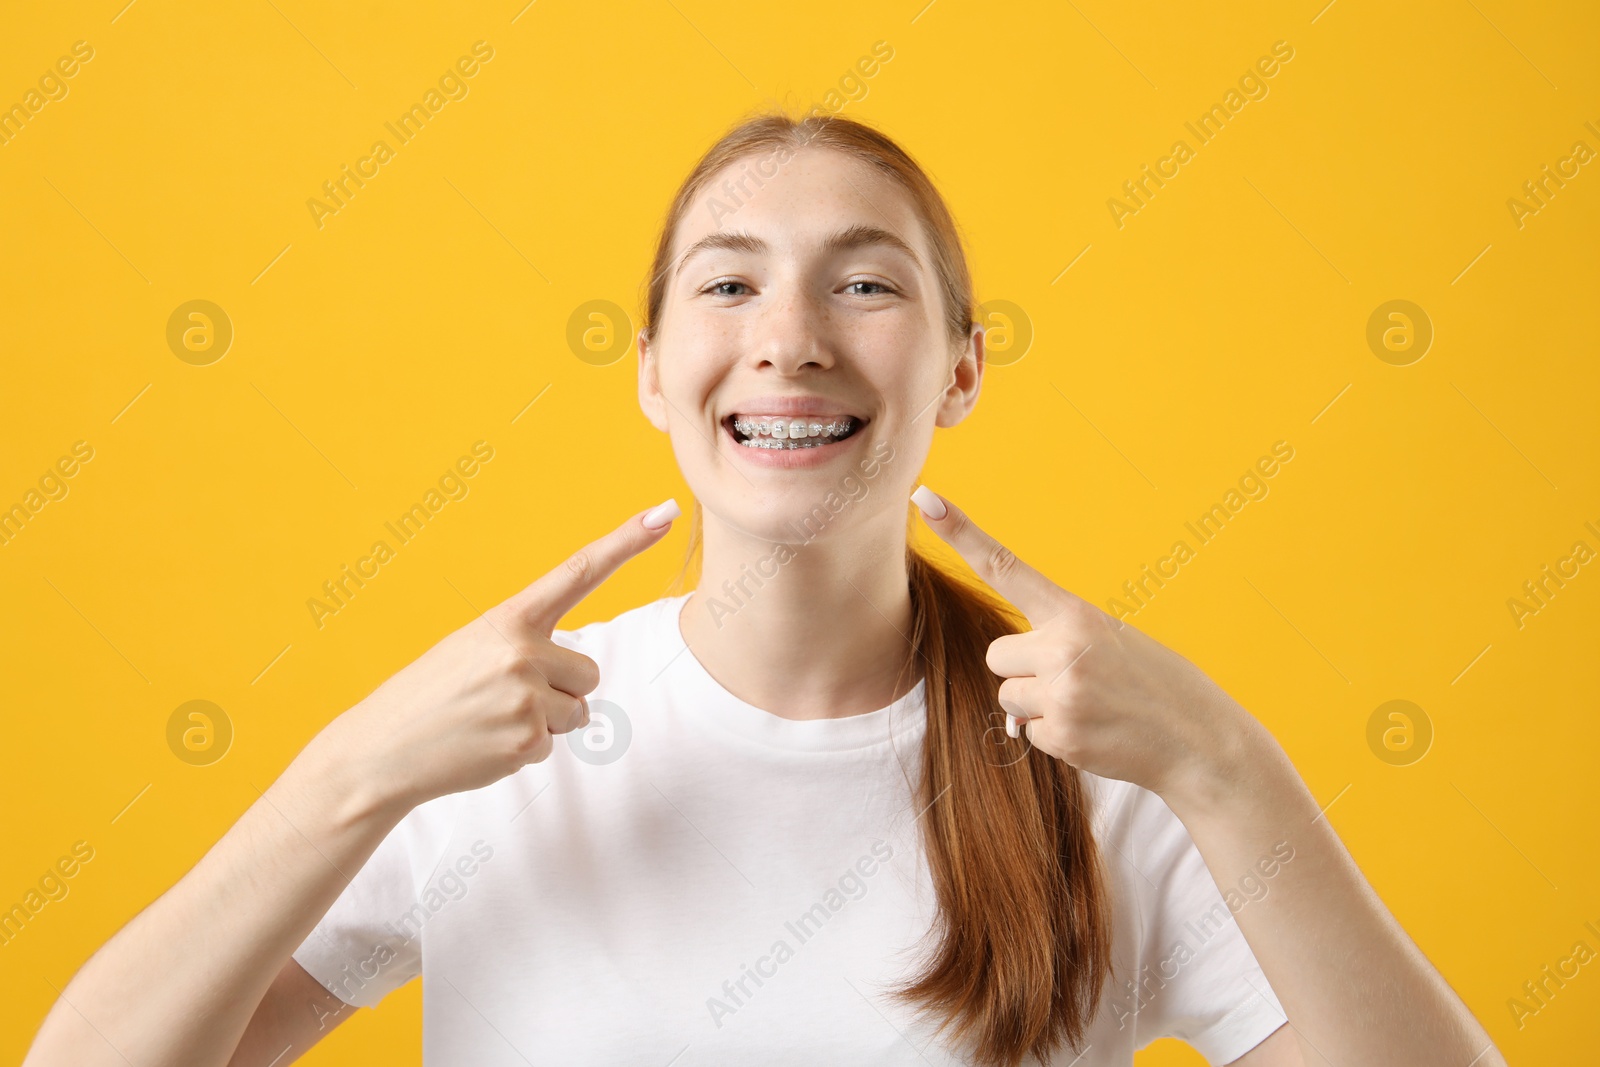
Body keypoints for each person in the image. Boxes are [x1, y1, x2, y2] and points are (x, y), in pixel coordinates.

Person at [24, 112, 1503, 1067]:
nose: (790, 339)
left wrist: (1230, 769)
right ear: (656, 372)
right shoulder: (487, 756)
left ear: (963, 367)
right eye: (729, 284)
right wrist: (345, 777)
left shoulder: (1108, 776)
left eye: (865, 283)